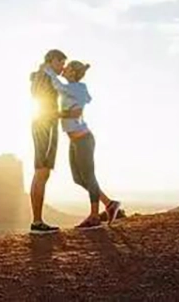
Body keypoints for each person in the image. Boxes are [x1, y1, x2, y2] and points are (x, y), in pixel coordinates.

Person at [43, 60, 121, 229]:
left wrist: (48, 71)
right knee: (78, 179)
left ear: (73, 73)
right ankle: (109, 204)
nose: (64, 68)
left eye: (68, 67)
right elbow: (68, 107)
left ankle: (94, 216)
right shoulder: (73, 89)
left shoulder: (76, 88)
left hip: (84, 139)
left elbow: (60, 87)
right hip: (75, 140)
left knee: (89, 176)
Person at [28, 49, 67, 234]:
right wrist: (64, 114)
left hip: (41, 123)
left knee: (41, 173)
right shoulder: (45, 76)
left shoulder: (40, 74)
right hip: (46, 125)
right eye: (61, 63)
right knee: (42, 173)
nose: (62, 67)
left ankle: (37, 221)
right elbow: (43, 99)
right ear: (52, 60)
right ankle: (37, 222)